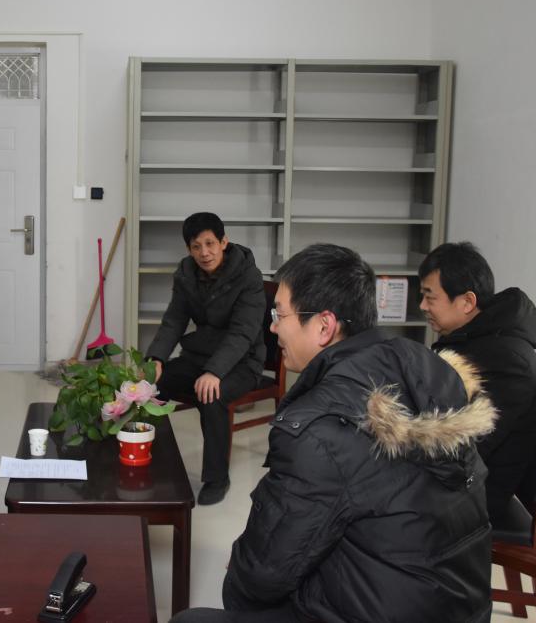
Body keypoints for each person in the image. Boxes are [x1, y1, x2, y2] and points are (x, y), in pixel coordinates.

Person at [171, 244, 495, 623]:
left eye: (280, 315)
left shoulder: (319, 428)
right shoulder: (423, 370)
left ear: (324, 326)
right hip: (459, 607)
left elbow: (262, 575)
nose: (272, 327)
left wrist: (241, 573)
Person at [419, 241, 536, 521]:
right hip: (458, 479)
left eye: (430, 297)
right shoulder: (476, 339)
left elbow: (467, 450)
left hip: (473, 497)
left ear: (467, 302)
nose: (422, 306)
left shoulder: (507, 361)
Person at [146, 212, 266, 505]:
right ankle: (148, 458)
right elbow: (174, 319)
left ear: (224, 242)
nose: (204, 253)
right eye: (196, 246)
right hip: (200, 355)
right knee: (149, 387)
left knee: (212, 396)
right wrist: (155, 359)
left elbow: (242, 333)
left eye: (210, 243)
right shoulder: (186, 272)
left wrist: (214, 371)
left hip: (242, 361)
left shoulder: (248, 276)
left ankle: (216, 478)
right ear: (188, 249)